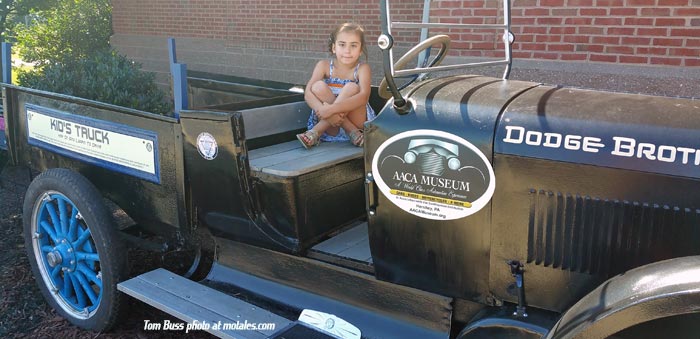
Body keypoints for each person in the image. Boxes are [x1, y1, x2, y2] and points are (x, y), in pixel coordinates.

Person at [297, 22, 375, 149]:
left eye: (353, 45)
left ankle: (315, 132)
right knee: (317, 86)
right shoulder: (323, 66)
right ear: (334, 47)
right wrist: (323, 110)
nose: (347, 51)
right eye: (342, 45)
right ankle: (351, 131)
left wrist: (331, 109)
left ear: (361, 50)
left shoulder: (362, 68)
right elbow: (308, 94)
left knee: (352, 87)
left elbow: (363, 97)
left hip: (356, 122)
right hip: (331, 128)